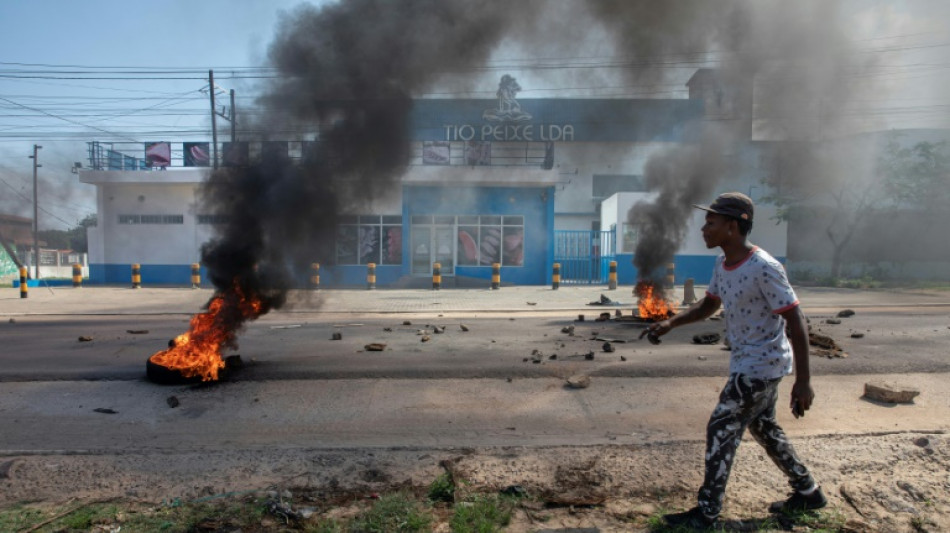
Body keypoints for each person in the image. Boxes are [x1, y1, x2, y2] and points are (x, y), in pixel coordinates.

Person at [647, 192, 826, 529]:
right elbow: (708, 305)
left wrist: (804, 381)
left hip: (760, 367)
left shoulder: (764, 267)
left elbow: (796, 319)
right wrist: (672, 323)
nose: (704, 229)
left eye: (711, 223)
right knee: (764, 429)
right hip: (749, 363)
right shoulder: (722, 264)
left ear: (732, 226)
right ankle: (809, 491)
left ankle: (707, 513)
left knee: (721, 428)